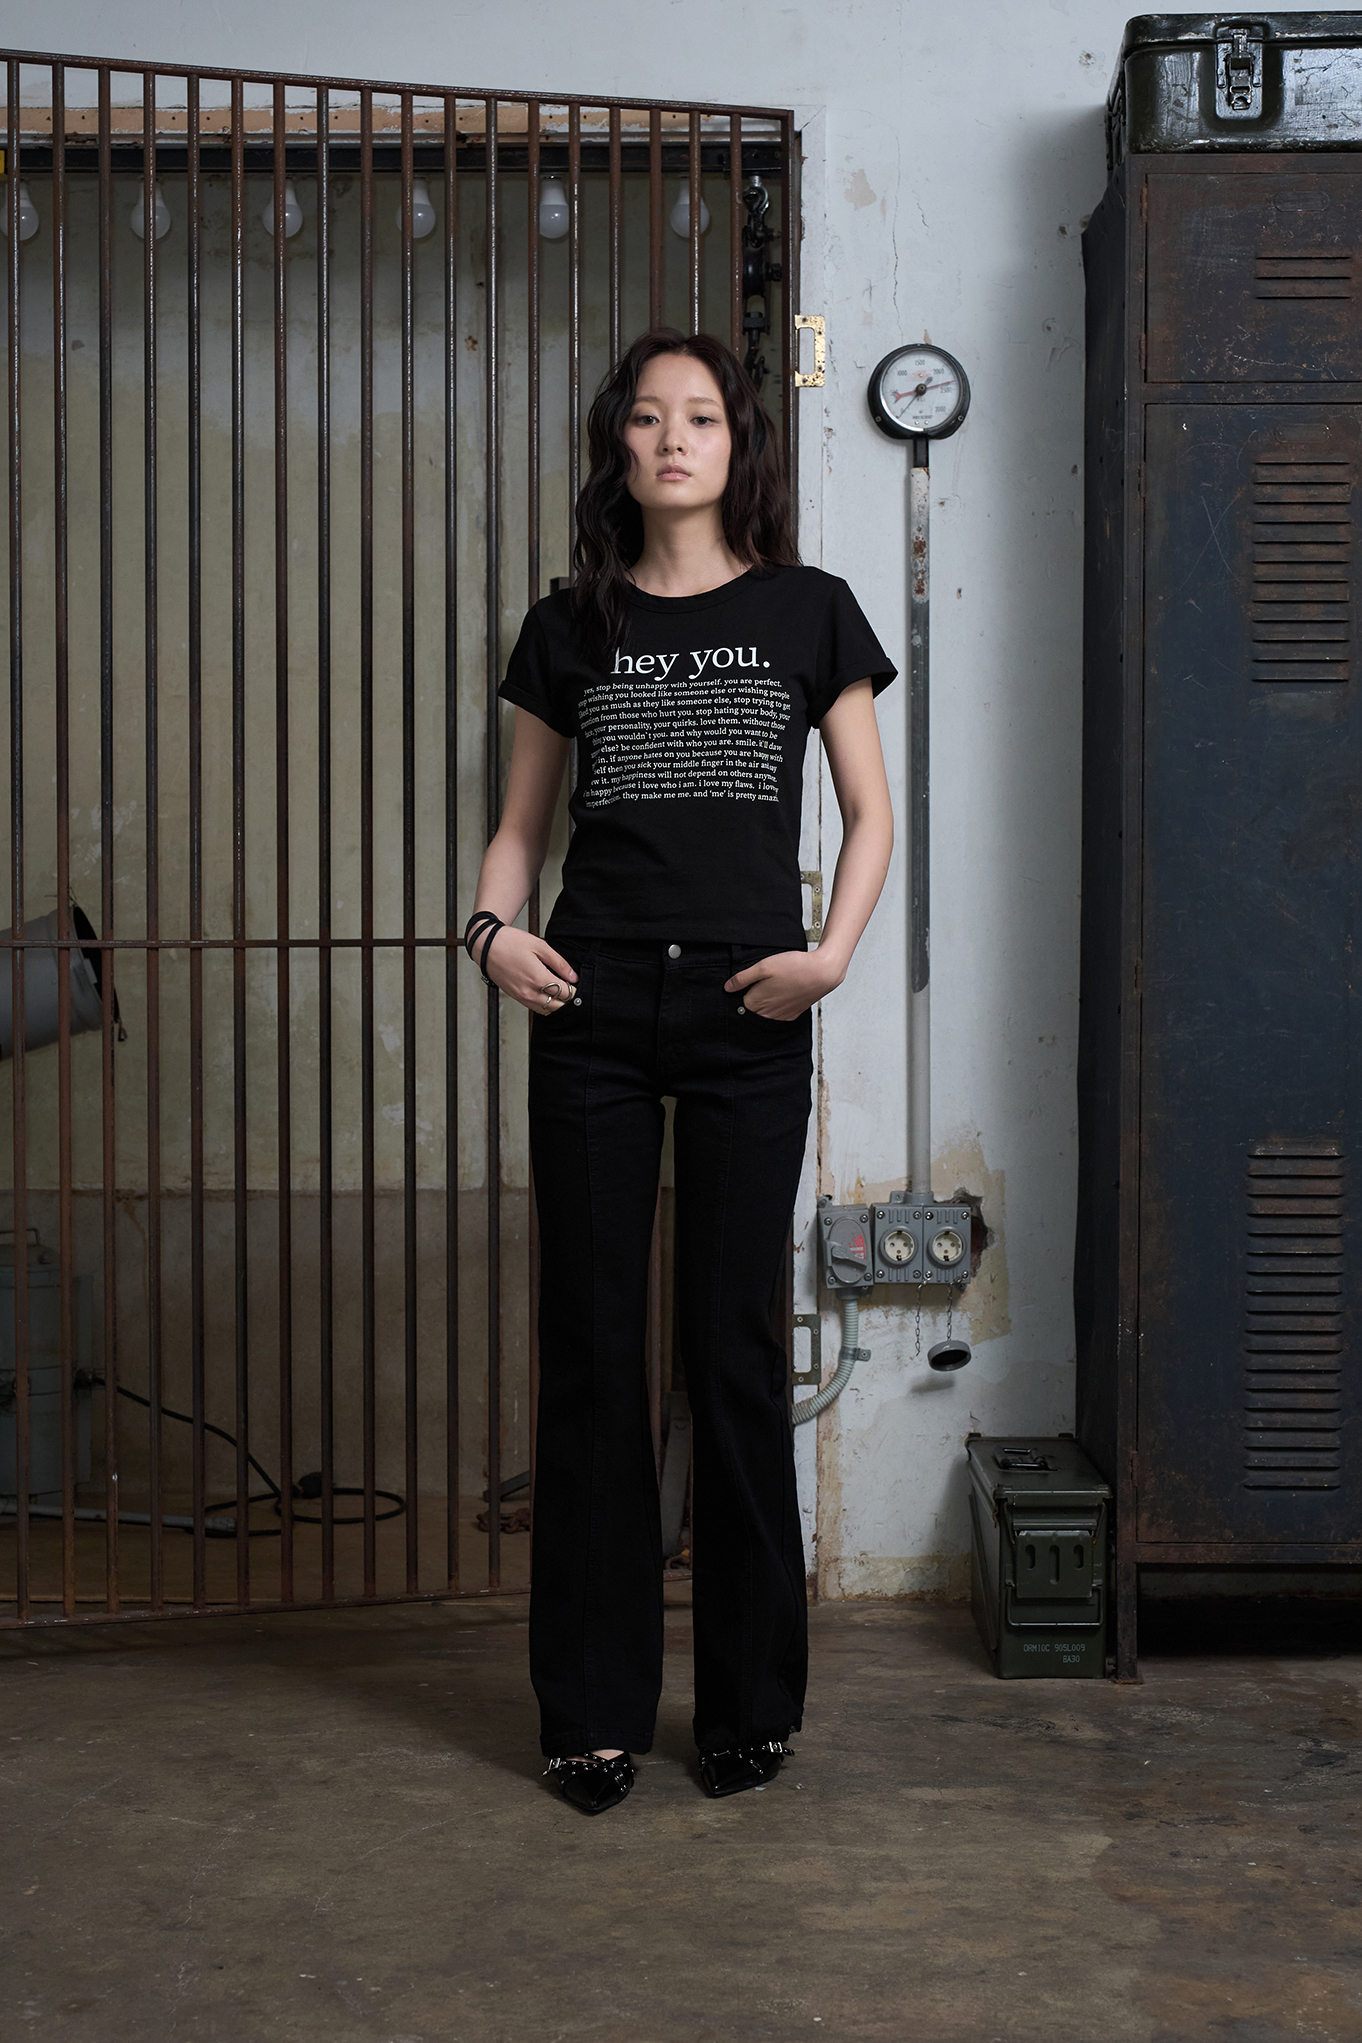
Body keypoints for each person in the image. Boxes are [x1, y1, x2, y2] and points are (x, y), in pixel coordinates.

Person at [464, 327, 896, 1814]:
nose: (671, 439)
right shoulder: (566, 625)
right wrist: (488, 934)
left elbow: (868, 815)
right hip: (588, 1001)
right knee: (593, 1356)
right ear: (618, 445)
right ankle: (589, 1711)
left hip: (746, 1009)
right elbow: (521, 829)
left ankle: (747, 1704)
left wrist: (827, 959)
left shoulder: (807, 609)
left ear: (736, 444)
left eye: (699, 416)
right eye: (646, 417)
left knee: (731, 1354)